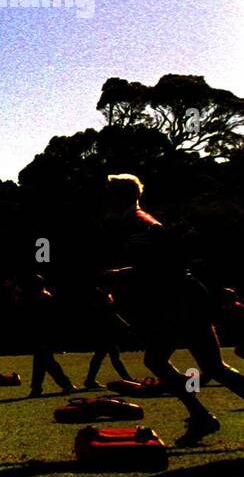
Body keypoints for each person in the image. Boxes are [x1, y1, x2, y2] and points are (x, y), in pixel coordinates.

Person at [102, 173, 244, 445]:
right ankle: (201, 417)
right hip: (184, 297)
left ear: (120, 196)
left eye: (109, 193)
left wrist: (119, 275)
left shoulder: (139, 223)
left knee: (176, 363)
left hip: (180, 300)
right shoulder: (137, 222)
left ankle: (202, 417)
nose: (105, 199)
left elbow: (162, 266)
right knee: (210, 366)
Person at [20, 274, 76, 398]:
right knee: (43, 362)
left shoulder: (43, 299)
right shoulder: (41, 297)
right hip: (42, 335)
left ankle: (61, 385)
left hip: (45, 335)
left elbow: (49, 321)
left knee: (45, 362)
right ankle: (39, 388)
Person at [83, 284, 134, 388]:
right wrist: (127, 326)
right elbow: (114, 317)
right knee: (111, 357)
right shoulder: (104, 304)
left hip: (103, 334)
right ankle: (126, 378)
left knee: (102, 357)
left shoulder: (99, 303)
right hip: (107, 335)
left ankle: (90, 380)